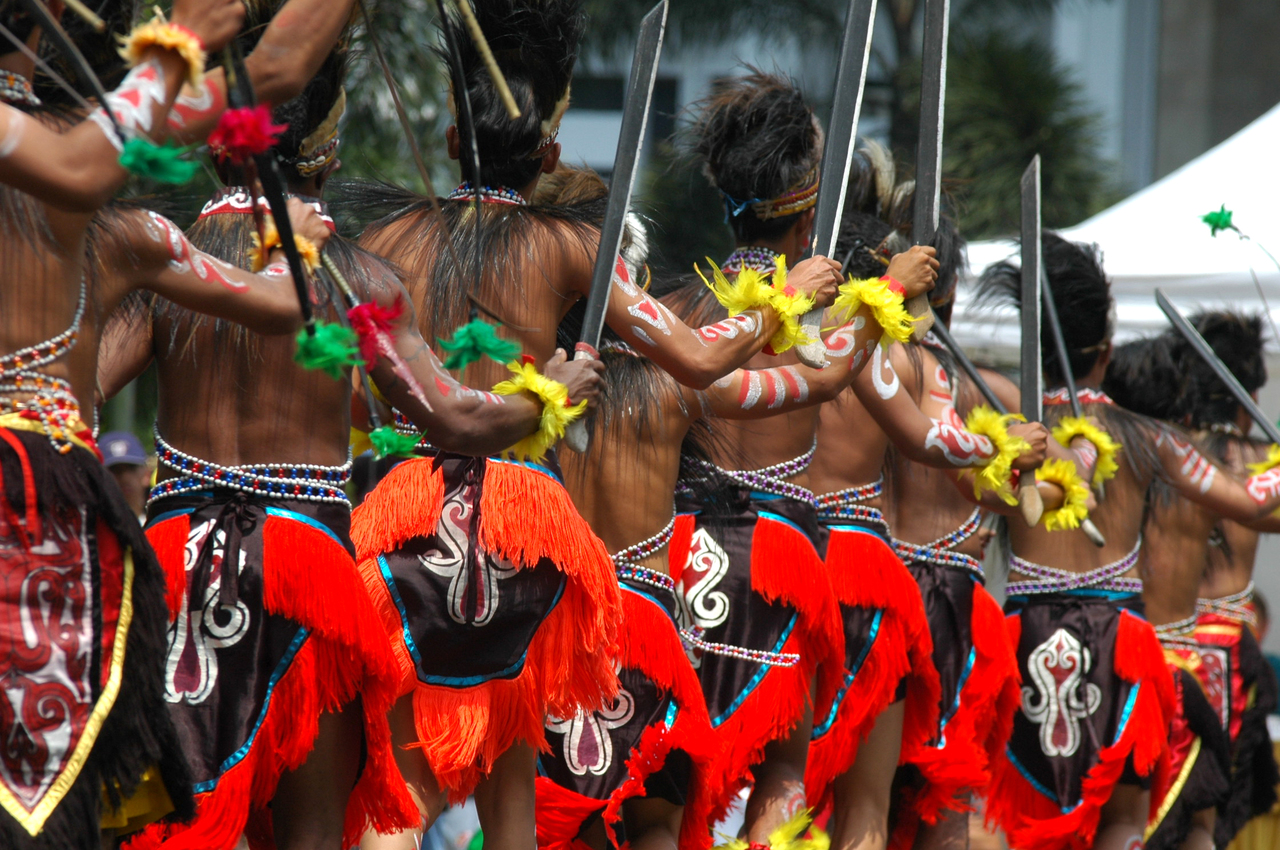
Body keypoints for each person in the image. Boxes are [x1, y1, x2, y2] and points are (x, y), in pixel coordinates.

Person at [345, 7, 841, 850]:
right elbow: (692, 354)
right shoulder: (569, 245)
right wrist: (786, 299)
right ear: (544, 157)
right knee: (510, 804)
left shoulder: (384, 238)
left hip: (404, 513)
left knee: (409, 788)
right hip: (526, 524)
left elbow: (360, 401)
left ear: (455, 132)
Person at [98, 41, 605, 850]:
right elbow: (460, 420)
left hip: (173, 556)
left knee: (170, 825)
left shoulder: (164, 257)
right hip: (304, 568)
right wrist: (550, 393)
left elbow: (78, 386)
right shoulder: (355, 280)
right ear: (324, 153)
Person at [0, 0, 341, 847]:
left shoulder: (130, 229)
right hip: (42, 505)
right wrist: (178, 43)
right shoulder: (102, 199)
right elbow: (85, 164)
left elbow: (273, 75)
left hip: (54, 515)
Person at [529, 165, 939, 850]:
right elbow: (827, 371)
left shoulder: (528, 392)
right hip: (655, 633)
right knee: (661, 817)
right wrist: (886, 293)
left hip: (563, 629)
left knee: (565, 822)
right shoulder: (678, 390)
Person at [978, 236, 1280, 850]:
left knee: (1023, 823)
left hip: (1024, 636)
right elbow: (1251, 501)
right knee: (1122, 826)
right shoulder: (1150, 440)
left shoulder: (1008, 429)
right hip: (1122, 645)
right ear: (1107, 350)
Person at [806, 142, 1050, 850]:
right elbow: (968, 470)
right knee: (928, 807)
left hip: (859, 576)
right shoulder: (960, 383)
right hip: (915, 596)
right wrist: (1016, 457)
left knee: (831, 794)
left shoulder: (830, 348)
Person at [1145, 311, 1279, 847]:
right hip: (1222, 651)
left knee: (1157, 807)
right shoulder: (1256, 464)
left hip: (1164, 646)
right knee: (1205, 819)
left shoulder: (1166, 454)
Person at [1103, 333, 1232, 850]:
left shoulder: (1101, 472)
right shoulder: (1201, 478)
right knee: (1197, 829)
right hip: (1187, 666)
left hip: (1125, 672)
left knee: (1111, 825)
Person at [101, 430, 152, 521]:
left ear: (147, 475)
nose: (124, 477)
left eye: (131, 468)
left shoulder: (159, 528)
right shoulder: (86, 531)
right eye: (114, 469)